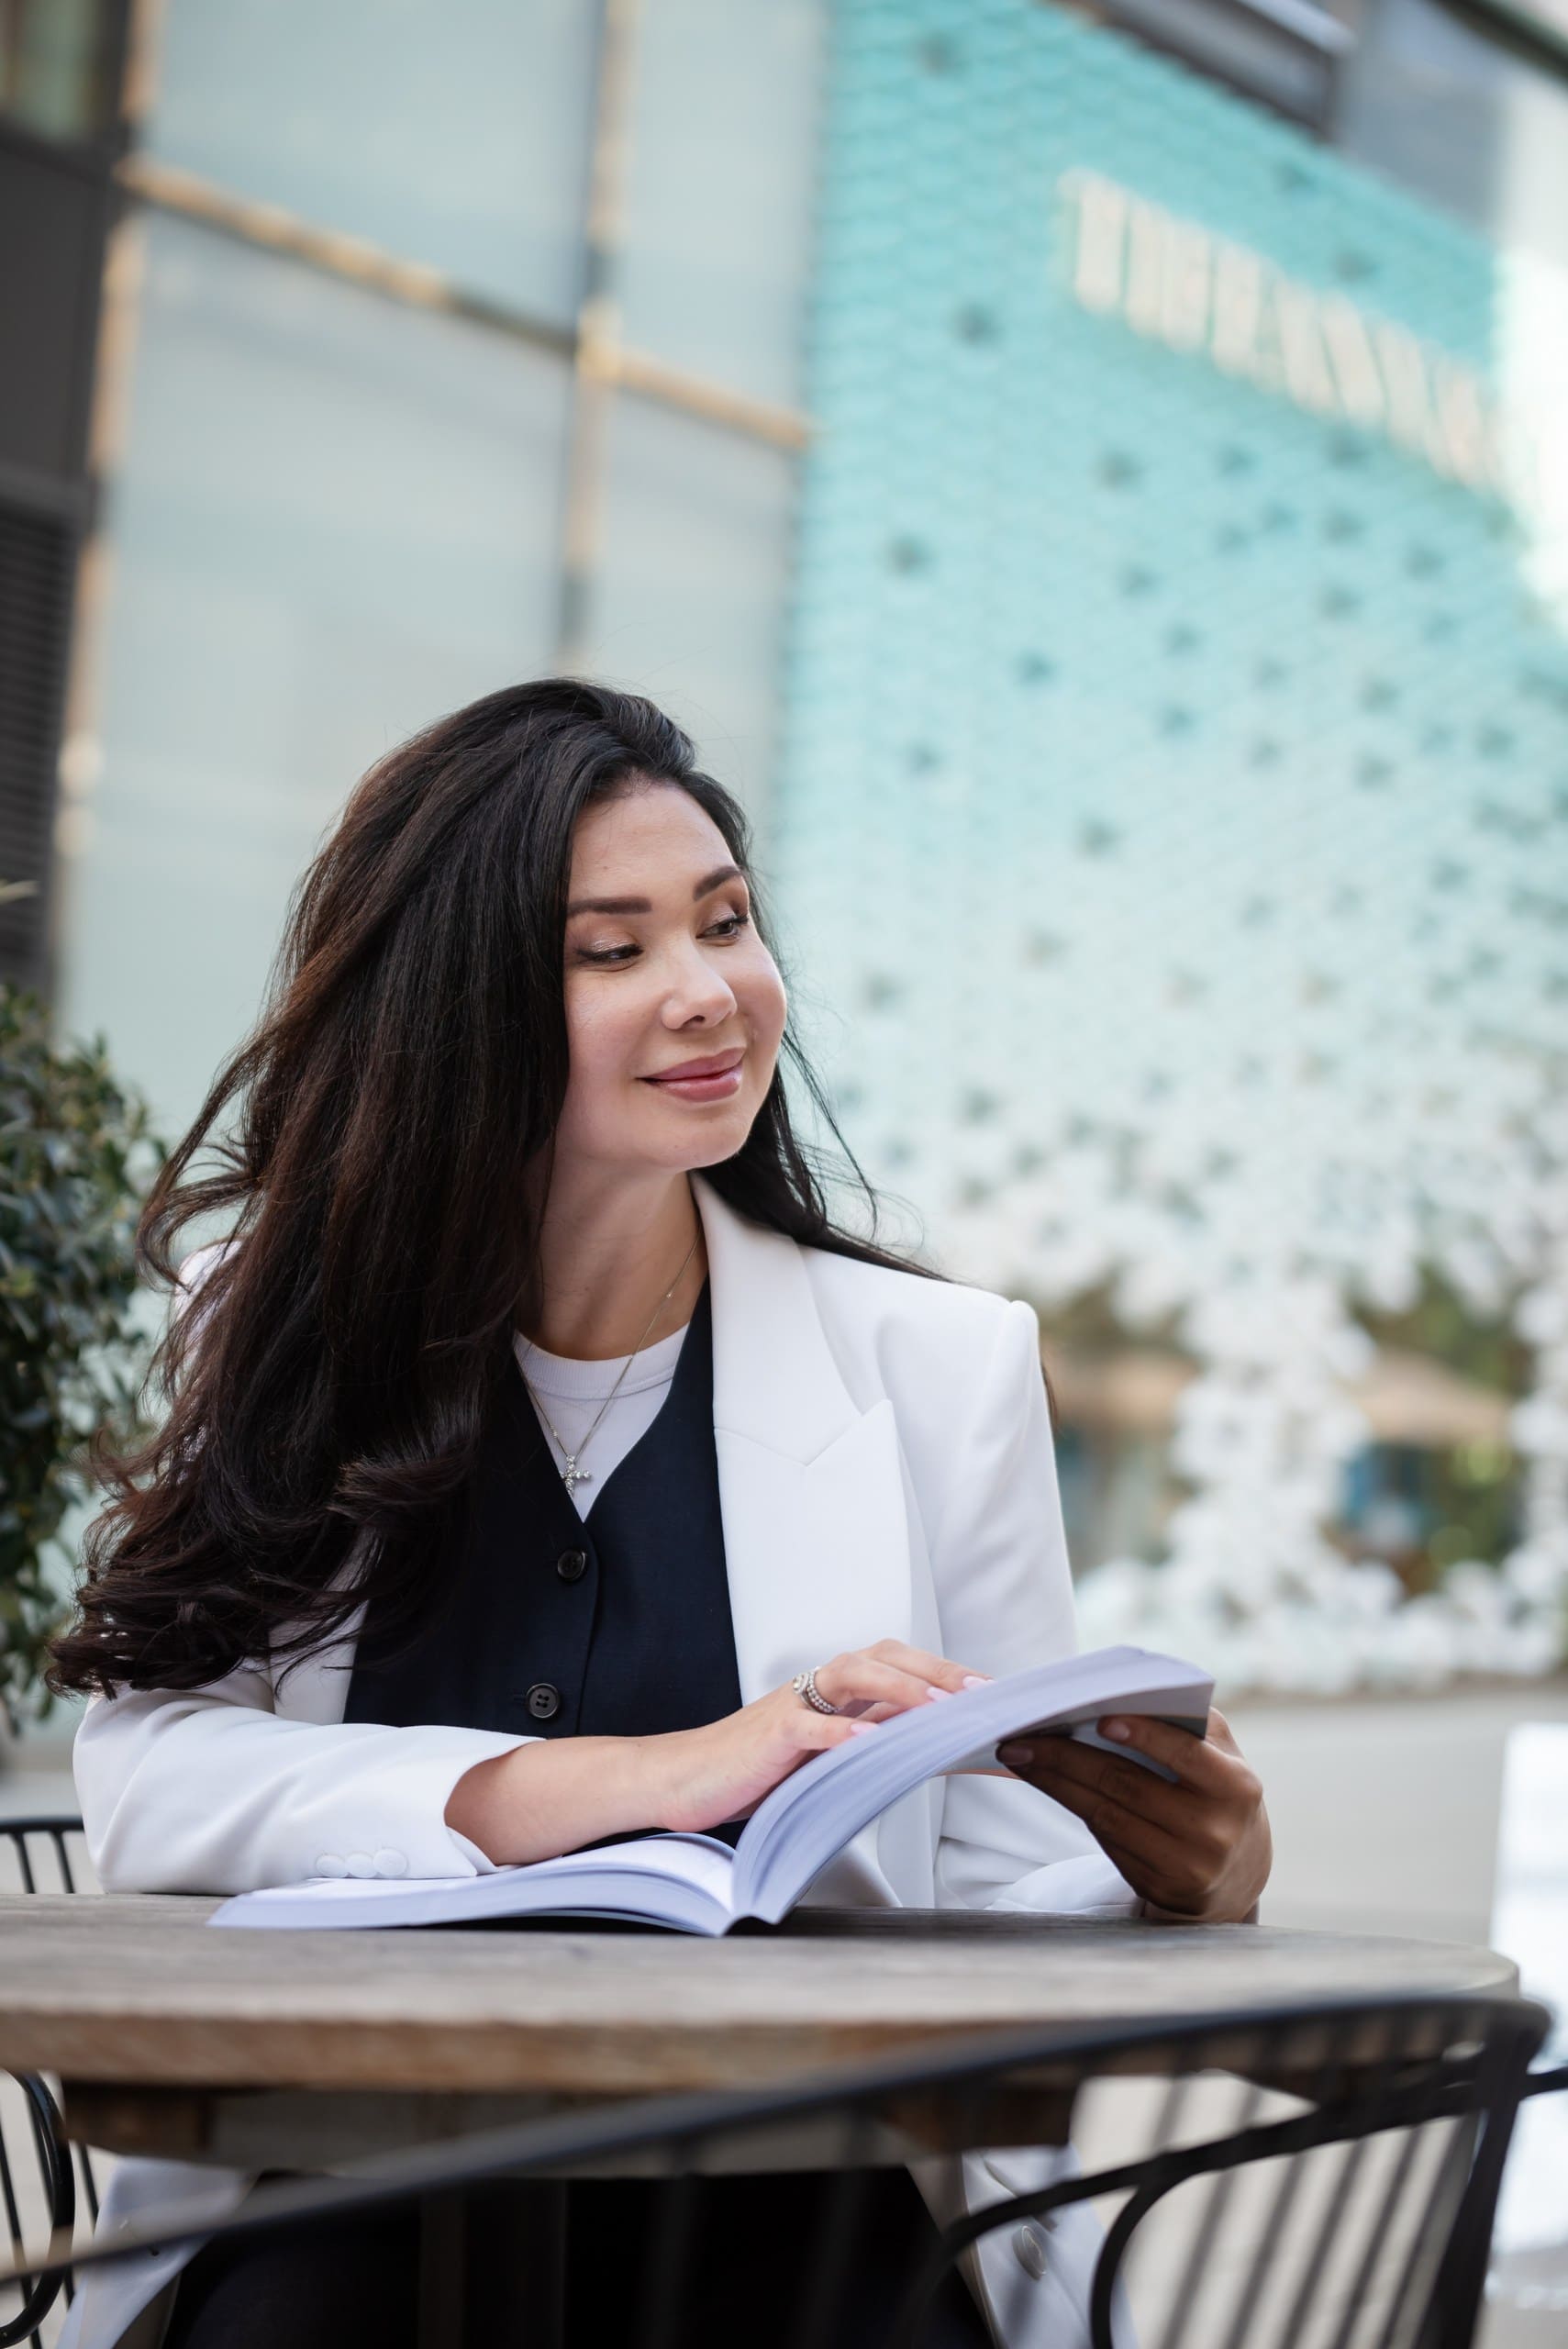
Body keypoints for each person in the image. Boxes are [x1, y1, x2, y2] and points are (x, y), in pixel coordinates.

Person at [50, 679, 1271, 2349]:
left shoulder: (940, 1367)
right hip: (352, 2187)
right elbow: (149, 1781)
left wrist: (1186, 1874)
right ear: (454, 1009)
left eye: (726, 922)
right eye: (609, 949)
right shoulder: (269, 1321)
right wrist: (648, 1782)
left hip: (805, 2208)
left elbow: (1002, 1887)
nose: (710, 994)